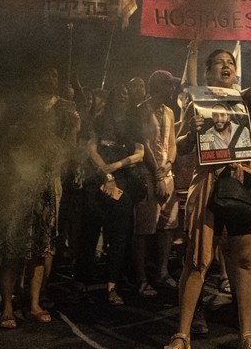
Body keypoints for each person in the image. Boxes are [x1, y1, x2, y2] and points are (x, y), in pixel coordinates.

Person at [161, 46, 251, 349]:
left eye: (230, 63)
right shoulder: (195, 103)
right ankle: (182, 335)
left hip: (240, 185)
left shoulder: (243, 101)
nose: (226, 66)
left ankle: (247, 334)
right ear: (208, 73)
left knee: (244, 261)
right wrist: (192, 132)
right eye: (219, 63)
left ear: (236, 74)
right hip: (208, 184)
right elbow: (179, 146)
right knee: (197, 260)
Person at [76, 83, 144, 307]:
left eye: (127, 93)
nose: (124, 96)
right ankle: (81, 283)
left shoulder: (134, 123)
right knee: (90, 231)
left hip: (121, 178)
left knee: (119, 235)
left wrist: (116, 166)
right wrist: (106, 174)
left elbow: (140, 153)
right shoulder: (98, 120)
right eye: (120, 93)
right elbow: (91, 149)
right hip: (97, 178)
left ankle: (112, 285)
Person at [134, 70, 181, 298]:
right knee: (145, 229)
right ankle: (141, 277)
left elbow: (171, 142)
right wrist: (158, 175)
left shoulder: (170, 112)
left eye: (172, 86)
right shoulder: (143, 109)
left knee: (168, 226)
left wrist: (169, 164)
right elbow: (144, 144)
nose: (171, 89)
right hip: (147, 174)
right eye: (167, 85)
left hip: (166, 172)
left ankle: (162, 272)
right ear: (156, 86)